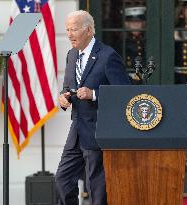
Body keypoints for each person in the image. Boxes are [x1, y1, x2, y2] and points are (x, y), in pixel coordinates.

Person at [55, 10, 130, 205]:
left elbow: (125, 94)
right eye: (67, 30)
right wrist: (63, 98)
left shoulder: (107, 56)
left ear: (88, 30)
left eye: (73, 30)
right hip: (77, 130)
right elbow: (68, 87)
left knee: (97, 187)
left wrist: (95, 94)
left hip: (99, 130)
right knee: (63, 179)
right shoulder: (72, 54)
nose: (69, 34)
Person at [124, 6, 146, 84]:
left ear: (143, 23)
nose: (135, 25)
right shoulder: (122, 43)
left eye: (138, 22)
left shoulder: (147, 41)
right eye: (132, 22)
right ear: (126, 24)